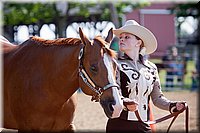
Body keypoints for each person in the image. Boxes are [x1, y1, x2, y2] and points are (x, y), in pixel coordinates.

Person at [106, 20, 187, 133]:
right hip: (119, 125)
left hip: (144, 126)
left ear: (138, 42)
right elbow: (114, 94)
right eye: (121, 37)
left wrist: (173, 105)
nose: (122, 39)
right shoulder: (114, 65)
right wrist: (125, 103)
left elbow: (157, 98)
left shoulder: (151, 68)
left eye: (127, 37)